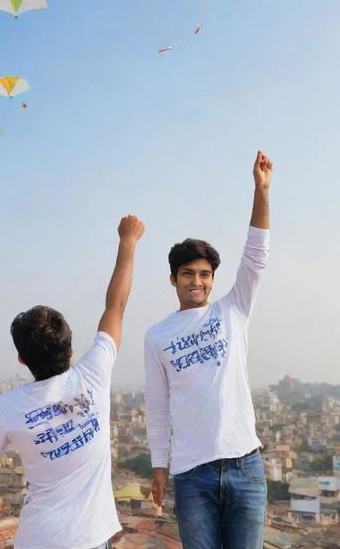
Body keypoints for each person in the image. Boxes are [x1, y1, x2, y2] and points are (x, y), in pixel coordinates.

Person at [0, 215, 145, 549]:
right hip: (90, 538)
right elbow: (116, 305)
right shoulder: (93, 374)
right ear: (71, 349)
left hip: (37, 538)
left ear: (22, 360)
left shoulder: (9, 406)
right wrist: (128, 242)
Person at [145, 151, 273, 549]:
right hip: (191, 474)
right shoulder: (157, 335)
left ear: (213, 280)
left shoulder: (232, 310)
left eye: (204, 274)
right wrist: (159, 469)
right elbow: (157, 407)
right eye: (188, 274)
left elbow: (255, 258)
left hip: (245, 465)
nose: (196, 281)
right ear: (173, 279)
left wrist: (262, 192)